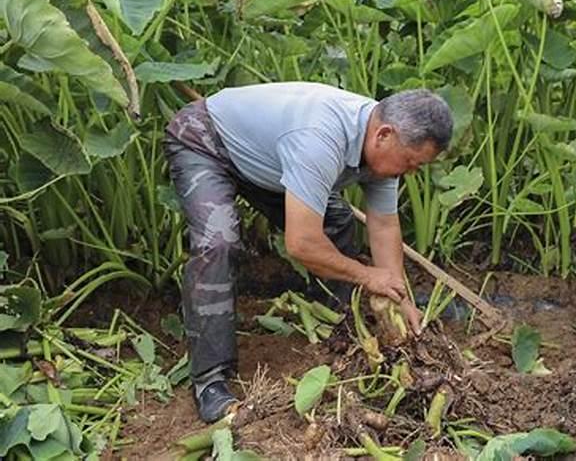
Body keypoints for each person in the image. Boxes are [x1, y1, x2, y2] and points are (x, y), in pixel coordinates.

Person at [163, 82, 453, 423]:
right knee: (219, 242)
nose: (411, 172)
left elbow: (385, 226)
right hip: (207, 142)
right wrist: (366, 275)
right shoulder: (321, 137)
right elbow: (301, 244)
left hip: (270, 161)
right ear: (384, 135)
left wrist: (399, 295)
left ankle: (341, 333)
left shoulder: (384, 145)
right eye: (410, 163)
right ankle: (210, 381)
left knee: (338, 221)